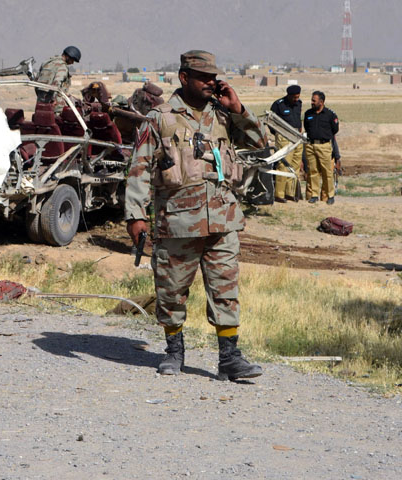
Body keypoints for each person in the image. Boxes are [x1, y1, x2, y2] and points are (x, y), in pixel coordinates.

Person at [125, 50, 266, 381]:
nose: (211, 82)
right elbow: (139, 168)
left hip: (223, 220)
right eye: (203, 77)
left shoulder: (223, 114)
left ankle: (230, 358)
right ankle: (174, 351)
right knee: (171, 291)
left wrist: (238, 109)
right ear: (184, 77)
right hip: (178, 222)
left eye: (214, 77)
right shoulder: (160, 118)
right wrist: (135, 215)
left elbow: (260, 141)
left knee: (225, 290)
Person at [303, 90, 339, 204]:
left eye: (314, 100)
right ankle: (314, 195)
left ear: (321, 102)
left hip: (324, 146)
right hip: (311, 145)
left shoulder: (330, 114)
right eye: (311, 100)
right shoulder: (308, 114)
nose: (312, 102)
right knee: (313, 171)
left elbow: (335, 129)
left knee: (327, 172)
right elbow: (306, 127)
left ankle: (330, 195)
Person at [270, 85, 303, 202]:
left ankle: (290, 192)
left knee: (294, 165)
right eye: (294, 97)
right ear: (288, 95)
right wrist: (279, 135)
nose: (296, 99)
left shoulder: (299, 104)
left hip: (297, 136)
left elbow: (299, 119)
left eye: (298, 97)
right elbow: (271, 123)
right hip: (284, 136)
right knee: (284, 164)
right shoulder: (278, 105)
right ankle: (279, 194)